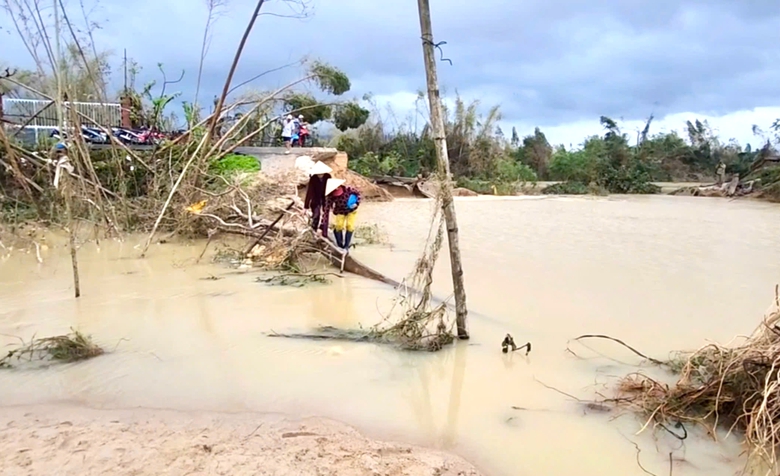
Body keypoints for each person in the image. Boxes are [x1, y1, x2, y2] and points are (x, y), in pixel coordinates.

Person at [320, 178, 361, 252]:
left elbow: (358, 195)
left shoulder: (348, 189)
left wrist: (356, 203)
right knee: (339, 226)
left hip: (351, 211)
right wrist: (323, 226)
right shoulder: (330, 196)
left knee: (350, 226)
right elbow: (326, 210)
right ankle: (340, 245)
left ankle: (346, 246)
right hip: (340, 211)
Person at [303, 160, 333, 231]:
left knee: (325, 215)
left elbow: (331, 188)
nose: (320, 175)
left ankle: (323, 230)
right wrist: (306, 206)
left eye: (321, 173)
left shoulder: (328, 177)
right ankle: (313, 229)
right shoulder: (313, 178)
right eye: (318, 174)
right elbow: (309, 192)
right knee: (316, 215)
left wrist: (331, 203)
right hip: (315, 198)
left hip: (325, 197)